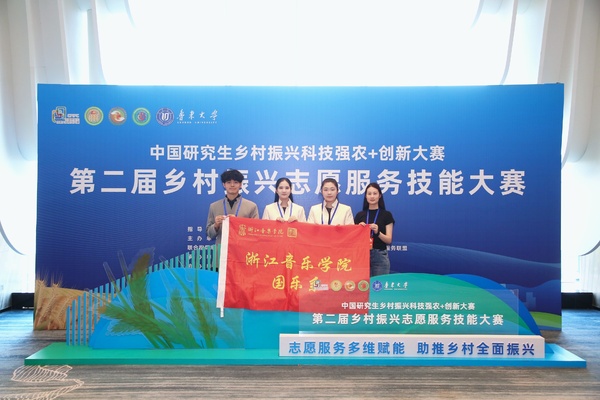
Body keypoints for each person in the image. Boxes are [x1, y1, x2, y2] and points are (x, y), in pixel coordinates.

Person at [206, 169, 259, 244]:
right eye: (228, 182)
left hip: (242, 248)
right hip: (221, 249)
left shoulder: (251, 206)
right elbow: (209, 234)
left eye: (236, 182)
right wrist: (216, 225)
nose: (232, 185)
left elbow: (256, 232)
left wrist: (238, 222)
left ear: (240, 184)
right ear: (224, 185)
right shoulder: (214, 206)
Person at [354, 182, 395, 277]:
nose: (372, 196)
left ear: (380, 195)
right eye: (369, 194)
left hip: (380, 256)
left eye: (375, 193)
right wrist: (358, 229)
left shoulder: (386, 215)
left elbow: (389, 240)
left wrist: (378, 232)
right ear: (366, 196)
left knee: (379, 285)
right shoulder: (360, 215)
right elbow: (353, 240)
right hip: (362, 256)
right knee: (362, 285)